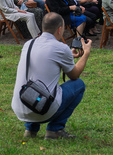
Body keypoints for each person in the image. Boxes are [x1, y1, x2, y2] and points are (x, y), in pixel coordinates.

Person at [11, 12, 92, 140]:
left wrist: (68, 56)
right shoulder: (61, 48)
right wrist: (86, 53)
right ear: (60, 29)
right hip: (43, 109)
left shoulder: (29, 44)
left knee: (35, 83)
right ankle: (55, 129)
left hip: (20, 106)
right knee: (79, 85)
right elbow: (74, 75)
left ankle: (30, 130)